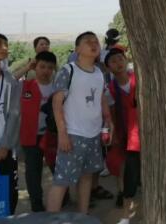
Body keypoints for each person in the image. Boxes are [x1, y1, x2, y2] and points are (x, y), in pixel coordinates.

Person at [47, 31, 114, 214]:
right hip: (73, 134)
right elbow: (56, 103)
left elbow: (101, 100)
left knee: (86, 177)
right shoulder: (68, 70)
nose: (93, 44)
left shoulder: (99, 72)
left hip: (93, 134)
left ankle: (82, 216)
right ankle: (49, 219)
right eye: (88, 41)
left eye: (96, 41)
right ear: (77, 49)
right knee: (62, 180)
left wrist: (107, 121)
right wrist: (63, 134)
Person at [105, 48, 140, 224]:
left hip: (146, 134)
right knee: (129, 175)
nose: (118, 63)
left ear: (126, 60)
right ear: (108, 68)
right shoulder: (111, 89)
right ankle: (126, 216)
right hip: (128, 137)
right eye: (113, 61)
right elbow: (111, 114)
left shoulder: (140, 79)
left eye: (120, 58)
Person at [20, 50, 57, 211]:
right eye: (42, 66)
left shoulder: (58, 88)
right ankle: (36, 203)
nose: (46, 70)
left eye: (50, 67)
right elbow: (8, 82)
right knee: (33, 172)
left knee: (57, 167)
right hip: (31, 136)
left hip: (52, 135)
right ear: (35, 67)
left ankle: (63, 196)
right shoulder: (25, 86)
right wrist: (26, 67)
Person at [0, 33, 21, 215]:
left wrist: (5, 145)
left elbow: (15, 116)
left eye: (6, 44)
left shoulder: (10, 81)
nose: (4, 48)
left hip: (5, 148)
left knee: (8, 196)